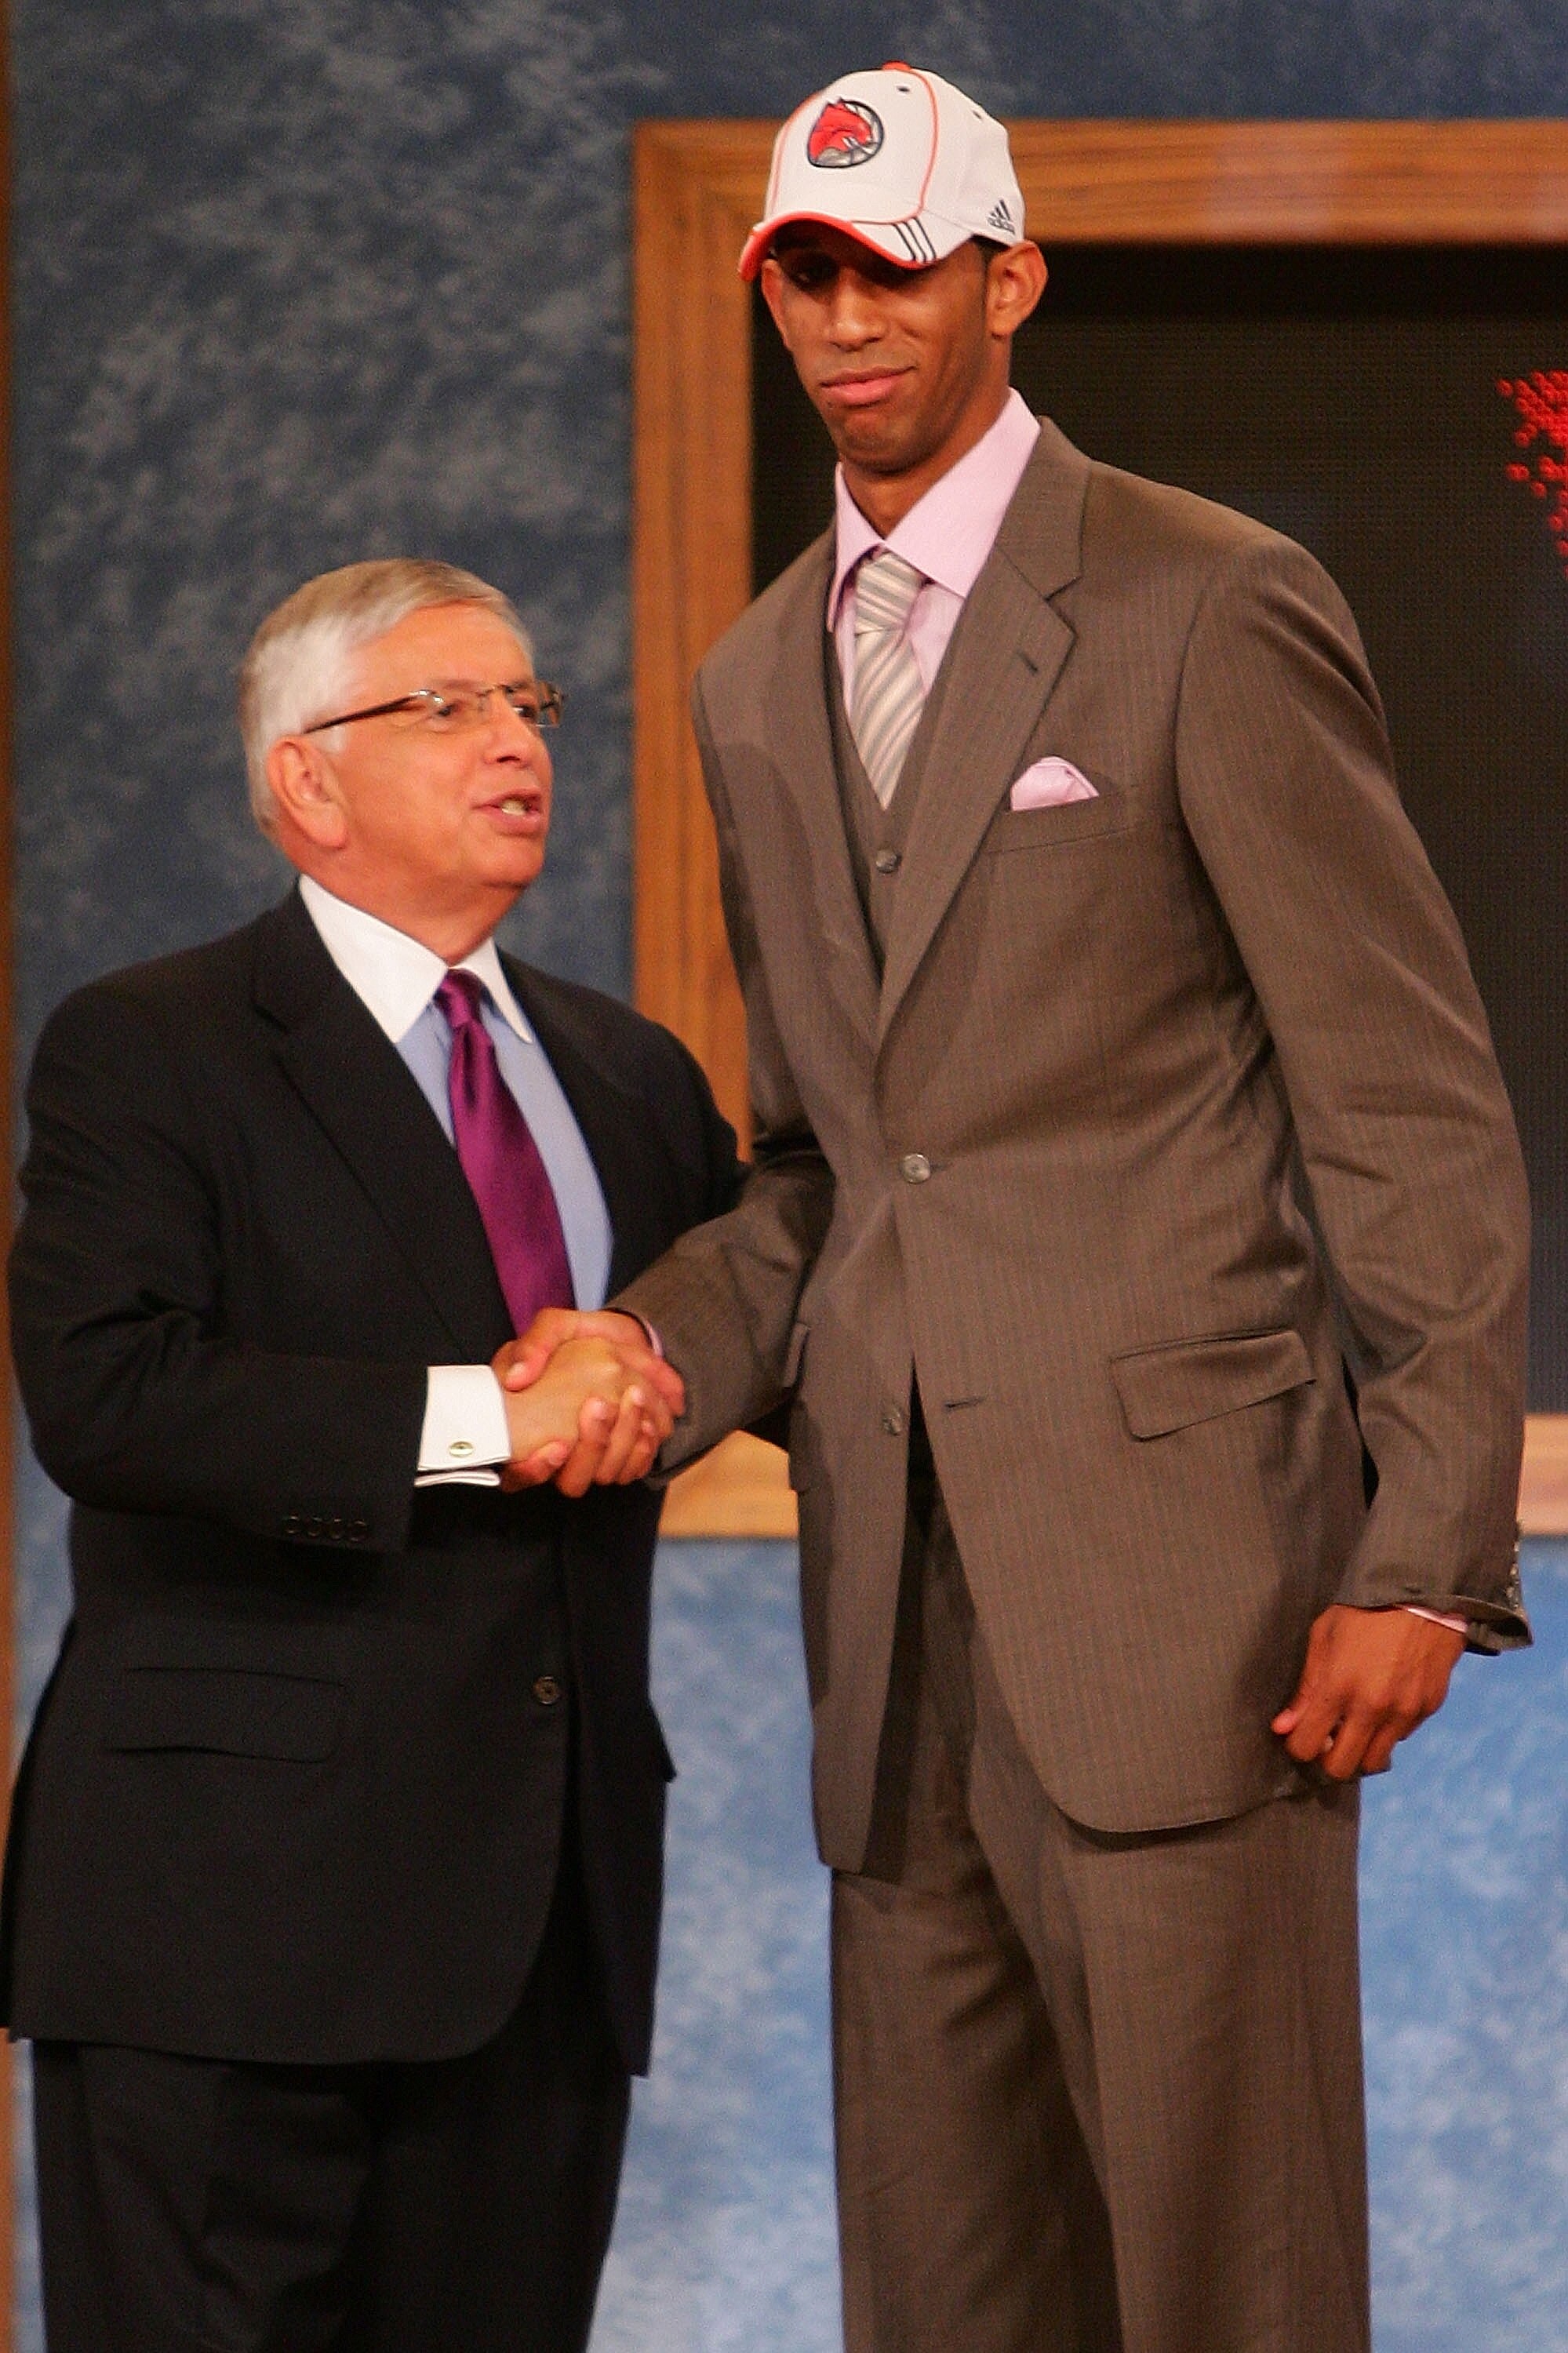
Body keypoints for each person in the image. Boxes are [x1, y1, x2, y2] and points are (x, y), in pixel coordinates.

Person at [504, 65, 1533, 2353]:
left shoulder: (1209, 596)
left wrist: (1425, 1553)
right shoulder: (757, 678)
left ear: (1008, 276)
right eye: (806, 272)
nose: (849, 316)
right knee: (944, 2308)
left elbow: (1410, 1106)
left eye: (896, 265)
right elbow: (832, 1171)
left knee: (1228, 2300)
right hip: (898, 1651)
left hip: (1195, 1622)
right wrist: (658, 1346)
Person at [2, 558, 739, 2353]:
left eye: (527, 705)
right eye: (447, 705)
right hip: (227, 1935)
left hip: (542, 1947)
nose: (515, 743)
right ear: (301, 783)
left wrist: (654, 1357)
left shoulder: (627, 1075)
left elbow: (763, 1317)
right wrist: (492, 1421)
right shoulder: (150, 1045)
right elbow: (107, 1395)